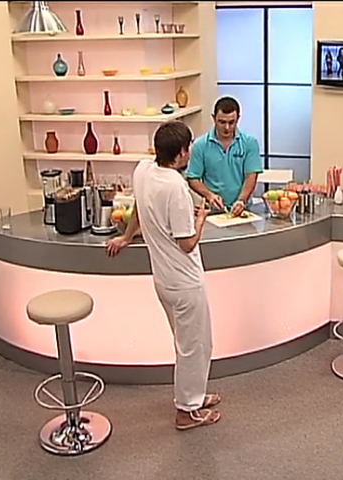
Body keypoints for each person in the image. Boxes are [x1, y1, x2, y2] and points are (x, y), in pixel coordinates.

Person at [106, 121, 221, 431]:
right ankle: (187, 411)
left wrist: (127, 237)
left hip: (164, 281)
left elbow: (139, 208)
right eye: (189, 147)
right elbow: (187, 243)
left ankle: (194, 396)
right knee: (195, 347)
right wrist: (201, 219)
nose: (191, 151)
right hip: (185, 283)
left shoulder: (143, 171)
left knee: (190, 344)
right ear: (181, 153)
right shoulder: (176, 187)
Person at [186, 96, 263, 217]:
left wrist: (241, 200)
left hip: (243, 210)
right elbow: (193, 178)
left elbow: (251, 176)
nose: (227, 128)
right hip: (213, 212)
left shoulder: (249, 143)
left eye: (231, 122)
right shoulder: (200, 145)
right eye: (222, 122)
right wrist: (210, 196)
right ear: (213, 118)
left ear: (238, 119)